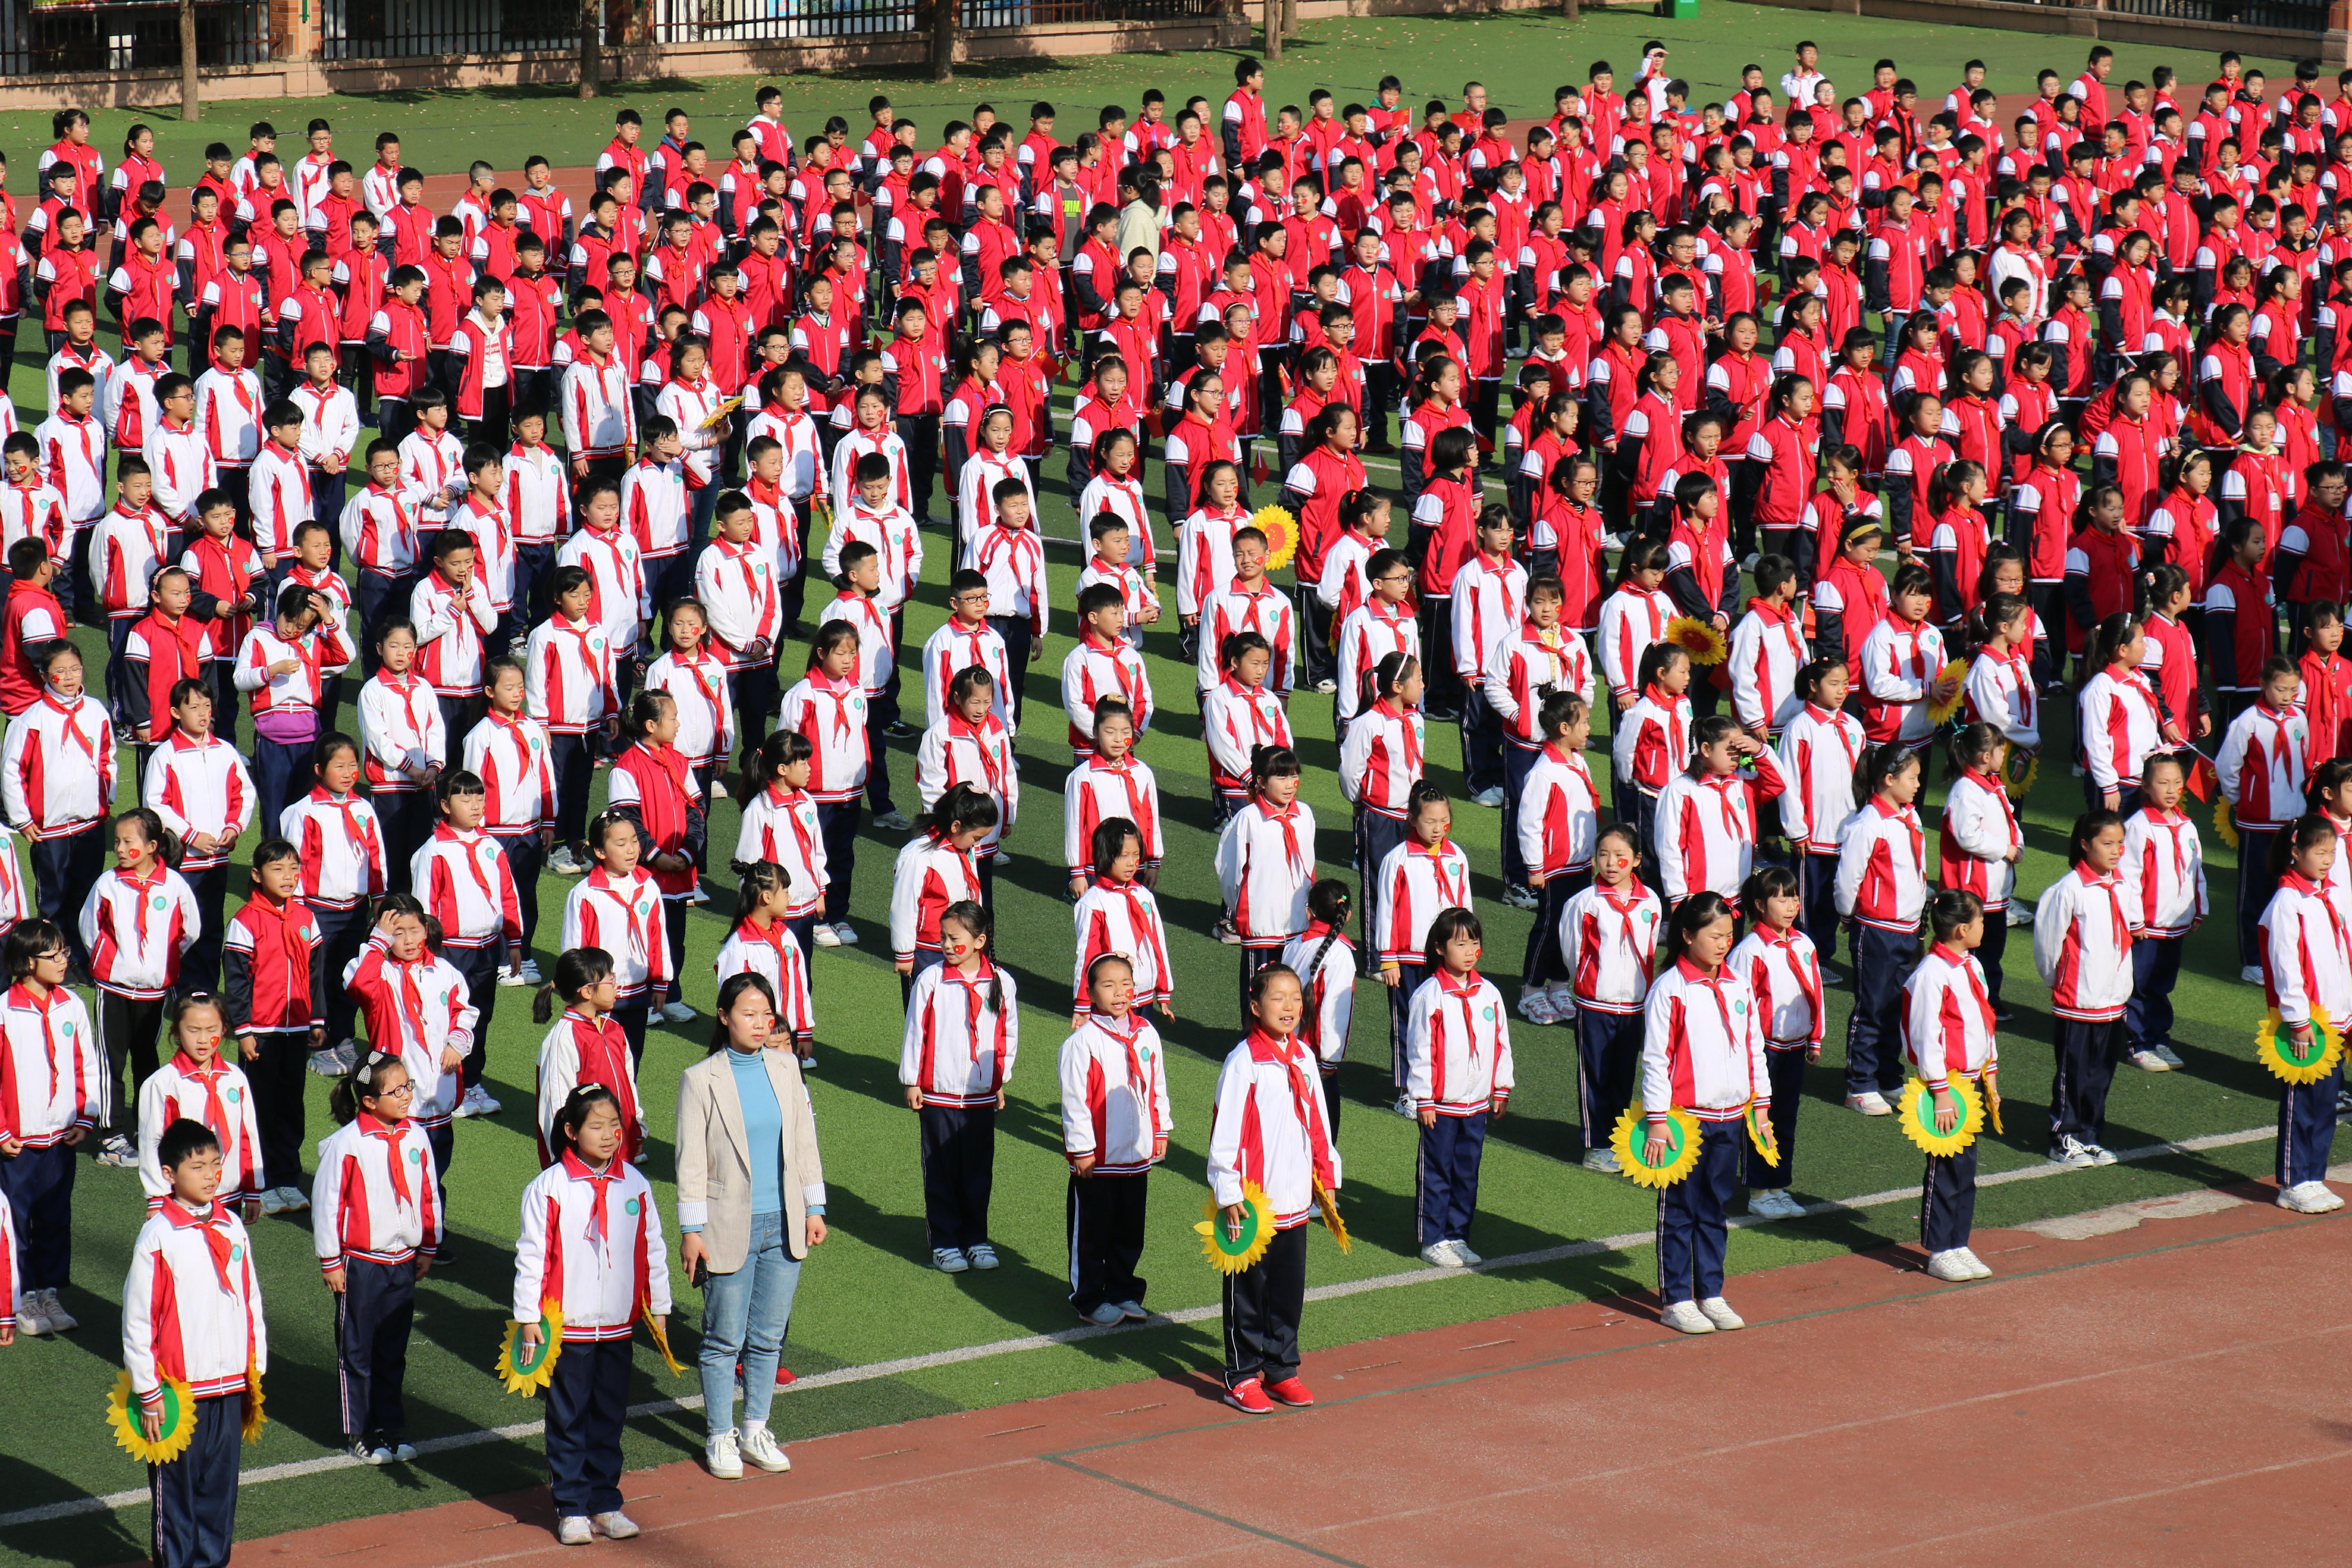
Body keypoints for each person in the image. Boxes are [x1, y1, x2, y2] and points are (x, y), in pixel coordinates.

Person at [675, 972, 827, 1478]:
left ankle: (756, 1428)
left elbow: (804, 1143)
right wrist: (691, 1230)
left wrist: (814, 1207)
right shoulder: (700, 1080)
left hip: (782, 1224)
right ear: (724, 1017)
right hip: (725, 1226)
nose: (760, 1024)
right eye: (748, 1014)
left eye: (766, 1014)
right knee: (723, 1339)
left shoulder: (786, 1069)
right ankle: (721, 1435)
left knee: (766, 1338)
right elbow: (691, 1163)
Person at [513, 1083, 671, 1543]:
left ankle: (605, 1501)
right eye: (597, 1126)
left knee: (609, 1415)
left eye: (615, 1126)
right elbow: (532, 1256)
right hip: (571, 1327)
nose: (609, 1135)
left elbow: (653, 1248)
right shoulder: (550, 1188)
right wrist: (528, 1316)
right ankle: (571, 1506)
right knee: (569, 1416)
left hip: (619, 1326)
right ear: (570, 1130)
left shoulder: (635, 1184)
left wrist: (659, 1306)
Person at [123, 1116, 268, 1568]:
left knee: (220, 1494)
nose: (210, 1175)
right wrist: (148, 1393)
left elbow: (251, 1302)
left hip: (228, 1386)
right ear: (169, 1174)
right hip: (179, 1396)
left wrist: (254, 1370)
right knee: (177, 1499)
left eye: (216, 1164)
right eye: (197, 1166)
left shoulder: (232, 1227)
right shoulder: (159, 1236)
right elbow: (138, 1321)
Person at [1205, 962, 1340, 1413]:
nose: (1289, 1006)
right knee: (1247, 1293)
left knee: (1287, 1289)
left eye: (1296, 997)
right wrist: (1228, 1191)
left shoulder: (1303, 1056)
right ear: (1255, 1005)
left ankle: (1281, 1367)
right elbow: (1225, 1131)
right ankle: (1241, 1375)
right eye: (1278, 998)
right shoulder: (1245, 1061)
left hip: (1296, 1199)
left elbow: (1319, 1122)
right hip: (1252, 1202)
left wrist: (1327, 1176)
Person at [1642, 890, 1768, 1336]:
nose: (1723, 944)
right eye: (1715, 936)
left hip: (1730, 1117)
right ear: (1688, 935)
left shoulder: (1738, 983)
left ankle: (1710, 1292)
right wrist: (1658, 1120)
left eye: (1729, 936)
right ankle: (1677, 1299)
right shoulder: (1670, 989)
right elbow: (1656, 1058)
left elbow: (1755, 1045)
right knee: (1679, 1210)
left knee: (1715, 1208)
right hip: (1684, 1122)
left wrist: (1762, 1106)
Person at [312, 1049, 441, 1466]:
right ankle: (360, 1430)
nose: (407, 1095)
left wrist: (428, 1245)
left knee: (392, 1348)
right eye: (397, 1089)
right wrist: (331, 1259)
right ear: (369, 1101)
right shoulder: (348, 1144)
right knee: (358, 1349)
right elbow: (328, 1203)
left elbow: (427, 1193)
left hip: (402, 1261)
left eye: (409, 1086)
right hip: (361, 1263)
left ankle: (391, 1426)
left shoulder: (416, 1136)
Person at [898, 902, 1017, 1274]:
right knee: (942, 1168)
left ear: (980, 941)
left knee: (979, 1170)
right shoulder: (931, 979)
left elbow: (1008, 1036)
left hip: (981, 1097)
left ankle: (976, 1238)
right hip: (939, 1095)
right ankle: (946, 1242)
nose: (947, 945)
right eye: (943, 937)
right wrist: (912, 1080)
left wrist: (1000, 1080)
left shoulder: (1002, 982)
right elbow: (915, 1030)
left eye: (955, 938)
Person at [82, 808, 201, 1170]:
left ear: (152, 846)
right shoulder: (108, 884)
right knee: (110, 1061)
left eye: (127, 842)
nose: (119, 848)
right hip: (113, 989)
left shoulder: (176, 887)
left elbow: (189, 932)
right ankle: (111, 1134)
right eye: (117, 842)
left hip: (154, 992)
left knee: (147, 1059)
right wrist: (114, 963)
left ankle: (149, 1129)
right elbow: (90, 930)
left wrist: (159, 966)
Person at [1057, 953, 1172, 1326]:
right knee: (1092, 1233)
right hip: (1098, 1159)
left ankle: (1123, 1291)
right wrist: (1081, 1150)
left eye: (1126, 984)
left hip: (1135, 1155)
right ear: (1090, 993)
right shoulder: (1083, 1043)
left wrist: (1160, 1129)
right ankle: (1088, 1297)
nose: (1120, 992)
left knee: (1129, 1231)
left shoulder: (1146, 1033)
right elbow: (1075, 1101)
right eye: (1108, 985)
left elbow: (1157, 1087)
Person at [0, 921, 99, 1337]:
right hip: (18, 1145)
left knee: (56, 1217)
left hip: (61, 1138)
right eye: (54, 955)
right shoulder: (5, 1010)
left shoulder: (72, 1005)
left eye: (64, 953)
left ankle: (49, 1290)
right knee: (17, 1221)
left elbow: (87, 1062)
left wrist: (86, 1117)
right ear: (27, 962)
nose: (64, 961)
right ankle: (22, 1298)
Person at [1404, 907, 1512, 1269]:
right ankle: (1432, 1239)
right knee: (1437, 1171)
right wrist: (1424, 1099)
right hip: (1442, 1105)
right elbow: (1419, 1051)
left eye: (1475, 943)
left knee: (1467, 1171)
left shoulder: (1490, 994)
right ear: (1439, 948)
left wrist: (1501, 1088)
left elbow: (1501, 1044)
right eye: (1460, 944)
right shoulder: (1429, 995)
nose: (1469, 951)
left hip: (1477, 1105)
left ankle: (1458, 1236)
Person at [1903, 889, 2001, 1281]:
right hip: (1947, 1088)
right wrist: (1940, 1091)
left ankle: (1960, 1241)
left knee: (1966, 1168)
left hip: (1972, 1083)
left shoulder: (1970, 966)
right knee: (1944, 1168)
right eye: (1980, 921)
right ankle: (1939, 1247)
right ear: (1963, 928)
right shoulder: (1932, 974)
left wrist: (1990, 1071)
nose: (1984, 927)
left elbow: (1983, 1021)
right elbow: (1926, 1036)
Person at [223, 838, 327, 1212]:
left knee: (290, 1106)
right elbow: (236, 984)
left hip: (296, 1030)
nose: (289, 876)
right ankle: (260, 1184)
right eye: (278, 869)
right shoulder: (245, 922)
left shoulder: (306, 917)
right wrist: (245, 1030)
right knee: (261, 1108)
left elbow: (315, 974)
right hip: (261, 1033)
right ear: (257, 874)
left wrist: (316, 1018)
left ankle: (287, 1178)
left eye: (294, 869)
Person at [410, 770, 522, 1114]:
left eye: (479, 797)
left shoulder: (491, 846)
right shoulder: (434, 851)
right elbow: (425, 906)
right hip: (450, 951)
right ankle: (450, 1086)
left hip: (487, 948)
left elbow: (508, 895)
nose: (475, 805)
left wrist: (514, 941)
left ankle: (472, 1083)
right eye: (465, 798)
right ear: (445, 805)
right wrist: (425, 952)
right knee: (449, 1018)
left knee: (481, 1016)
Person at [341, 895, 475, 1177]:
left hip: (440, 1091)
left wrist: (457, 1044)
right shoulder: (379, 971)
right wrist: (379, 940)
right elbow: (359, 986)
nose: (409, 940)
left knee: (436, 1174)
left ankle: (433, 1222)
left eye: (415, 931)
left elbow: (464, 1013)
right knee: (396, 1175)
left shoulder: (445, 972)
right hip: (398, 1098)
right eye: (398, 933)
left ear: (426, 929)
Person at [3, 641, 115, 975]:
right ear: (45, 676)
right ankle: (53, 960)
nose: (69, 677)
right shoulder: (31, 720)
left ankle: (82, 957)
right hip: (49, 829)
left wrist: (104, 798)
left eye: (75, 669)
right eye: (60, 671)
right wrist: (23, 820)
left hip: (89, 824)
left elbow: (107, 757)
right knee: (53, 899)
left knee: (86, 892)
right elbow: (13, 770)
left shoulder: (96, 711)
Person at [2034, 810, 2137, 1169]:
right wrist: (2059, 982)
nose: (2116, 851)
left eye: (2120, 843)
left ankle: (2091, 1137)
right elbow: (2048, 946)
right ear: (2084, 845)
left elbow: (2132, 931)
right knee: (2073, 1072)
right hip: (2077, 1001)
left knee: (2101, 1074)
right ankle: (2065, 1138)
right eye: (2107, 844)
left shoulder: (2124, 886)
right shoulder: (2068, 890)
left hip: (2113, 1003)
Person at [2259, 815, 2352, 1214]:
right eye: (2320, 852)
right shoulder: (2287, 903)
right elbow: (2286, 967)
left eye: (2333, 851)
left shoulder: (2325, 896)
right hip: (2308, 1024)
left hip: (2336, 1018)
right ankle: (2294, 1180)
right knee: (2302, 1103)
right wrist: (2298, 1021)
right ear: (2296, 853)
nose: (2328, 859)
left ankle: (2315, 1174)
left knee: (2326, 1102)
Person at [140, 678, 256, 993]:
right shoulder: (166, 755)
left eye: (207, 705)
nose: (204, 713)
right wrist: (191, 835)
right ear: (176, 713)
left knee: (212, 928)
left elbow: (244, 794)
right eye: (195, 707)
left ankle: (205, 992)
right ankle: (183, 992)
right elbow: (155, 804)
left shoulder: (226, 751)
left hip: (217, 859)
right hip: (185, 860)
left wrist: (234, 827)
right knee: (184, 929)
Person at [605, 689, 706, 1027]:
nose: (679, 724)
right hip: (646, 875)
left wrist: (688, 853)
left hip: (678, 872)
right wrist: (658, 857)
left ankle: (670, 995)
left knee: (674, 938)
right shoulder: (627, 768)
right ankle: (644, 998)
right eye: (673, 718)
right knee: (644, 938)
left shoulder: (679, 761)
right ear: (651, 725)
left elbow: (697, 811)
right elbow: (628, 821)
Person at [1837, 743, 1927, 1116]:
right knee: (1872, 1006)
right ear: (1889, 780)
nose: (1919, 784)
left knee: (1897, 1007)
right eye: (1913, 778)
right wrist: (1847, 915)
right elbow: (1848, 881)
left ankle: (1889, 1077)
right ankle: (1860, 1083)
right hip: (1876, 929)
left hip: (1907, 929)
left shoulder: (1910, 817)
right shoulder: (1869, 824)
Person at [1373, 782, 1472, 1114]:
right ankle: (1407, 1091)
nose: (1438, 828)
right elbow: (1386, 908)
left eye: (1444, 820)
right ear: (1412, 819)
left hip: (1446, 959)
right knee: (1407, 1022)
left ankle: (1439, 1084)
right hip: (1408, 959)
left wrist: (1467, 950)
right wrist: (1387, 960)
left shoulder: (1457, 856)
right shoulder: (1398, 859)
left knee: (1445, 1023)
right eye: (1430, 821)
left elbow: (1465, 908)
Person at [2219, 656, 2308, 983]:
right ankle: (2252, 960)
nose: (2287, 696)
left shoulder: (2299, 719)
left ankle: (2286, 957)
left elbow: (2304, 761)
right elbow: (2227, 767)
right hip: (2258, 825)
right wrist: (2242, 800)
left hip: (2293, 824)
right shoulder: (2248, 722)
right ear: (2264, 684)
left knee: (2288, 891)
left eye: (2293, 690)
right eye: (2280, 689)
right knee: (2255, 890)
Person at [778, 622, 869, 943]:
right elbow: (786, 741)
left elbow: (861, 734)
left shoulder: (857, 691)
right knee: (818, 855)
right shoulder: (804, 694)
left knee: (843, 854)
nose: (848, 660)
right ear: (821, 653)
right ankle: (816, 919)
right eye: (840, 653)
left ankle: (838, 914)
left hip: (849, 792)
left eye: (853, 653)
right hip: (815, 793)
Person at [1515, 691, 1600, 1022]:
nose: (1590, 728)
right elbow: (1530, 823)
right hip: (1554, 869)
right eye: (1585, 722)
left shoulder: (1578, 760)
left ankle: (1560, 985)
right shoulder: (1544, 773)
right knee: (1550, 928)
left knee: (1573, 930)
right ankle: (1532, 990)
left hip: (1580, 864)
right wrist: (1535, 867)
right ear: (1564, 728)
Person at [1776, 658, 1864, 975]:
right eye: (1833, 684)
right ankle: (1807, 960)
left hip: (1849, 832)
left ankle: (1826, 959)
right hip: (1814, 836)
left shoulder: (1854, 727)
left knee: (1837, 896)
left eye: (1845, 683)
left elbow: (1862, 778)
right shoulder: (1800, 729)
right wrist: (1796, 830)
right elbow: (1789, 783)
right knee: (1808, 902)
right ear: (1813, 686)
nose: (1842, 691)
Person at [561, 809, 670, 1065]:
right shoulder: (585, 894)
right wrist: (582, 991)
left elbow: (657, 937)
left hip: (638, 994)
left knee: (632, 1060)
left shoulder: (649, 887)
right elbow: (574, 949)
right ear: (600, 852)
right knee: (599, 1063)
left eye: (634, 840)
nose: (632, 849)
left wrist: (661, 983)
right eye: (621, 844)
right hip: (599, 997)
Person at [2120, 751, 2205, 1074]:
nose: (2171, 790)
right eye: (2163, 783)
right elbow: (2129, 876)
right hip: (2148, 926)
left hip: (2175, 924)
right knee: (2140, 984)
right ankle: (2138, 1044)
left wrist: (2199, 909)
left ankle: (2159, 1039)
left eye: (2177, 783)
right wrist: (2135, 918)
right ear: (2145, 786)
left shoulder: (2187, 826)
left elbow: (2197, 870)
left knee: (2162, 984)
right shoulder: (2138, 827)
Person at [1214, 745, 1316, 1013]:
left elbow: (1309, 867)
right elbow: (1229, 873)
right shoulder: (1247, 819)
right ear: (1261, 782)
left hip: (1297, 925)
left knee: (1292, 993)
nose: (1290, 784)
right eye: (1280, 777)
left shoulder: (1305, 815)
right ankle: (1253, 1043)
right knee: (1258, 992)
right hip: (1261, 926)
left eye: (1294, 776)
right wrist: (1247, 909)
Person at [1939, 723, 2025, 1016]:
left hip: (1994, 890)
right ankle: (1972, 1001)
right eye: (2001, 748)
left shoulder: (1991, 785)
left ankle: (1989, 998)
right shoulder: (1966, 790)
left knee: (1993, 949)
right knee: (1975, 951)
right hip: (1974, 891)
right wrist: (2005, 850)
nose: (2005, 753)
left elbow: (2009, 823)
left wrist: (2018, 845)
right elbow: (1966, 835)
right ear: (1986, 756)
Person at [531, 947, 644, 1165]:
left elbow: (628, 1083)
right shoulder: (564, 1038)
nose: (615, 984)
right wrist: (565, 1161)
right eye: (609, 979)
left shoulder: (614, 1029)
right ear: (587, 992)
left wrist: (635, 1126)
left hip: (620, 1148)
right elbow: (555, 1105)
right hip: (583, 1162)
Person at [889, 783, 993, 990]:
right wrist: (904, 953)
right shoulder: (918, 856)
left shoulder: (963, 848)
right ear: (956, 827)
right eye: (976, 838)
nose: (976, 844)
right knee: (924, 1017)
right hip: (927, 951)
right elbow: (904, 906)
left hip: (961, 948)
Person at [711, 862, 815, 1065]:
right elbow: (734, 1005)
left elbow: (800, 987)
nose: (789, 897)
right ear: (767, 897)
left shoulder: (787, 938)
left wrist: (803, 1033)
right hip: (756, 1045)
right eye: (785, 891)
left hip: (785, 1039)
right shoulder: (739, 949)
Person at [1280, 880, 1357, 1140]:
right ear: (1347, 915)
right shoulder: (1341, 955)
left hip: (1287, 1049)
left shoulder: (1293, 945)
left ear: (1309, 912)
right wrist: (1330, 1060)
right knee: (1322, 1143)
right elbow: (1336, 1013)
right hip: (1316, 1059)